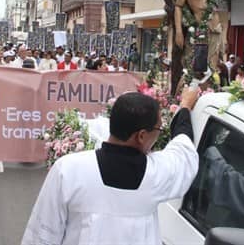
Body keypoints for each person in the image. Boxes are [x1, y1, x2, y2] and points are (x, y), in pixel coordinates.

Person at [21, 87, 201, 245]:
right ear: (141, 136)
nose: (158, 135)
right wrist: (185, 106)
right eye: (159, 130)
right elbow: (183, 152)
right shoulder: (157, 174)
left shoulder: (69, 169)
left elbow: (42, 234)